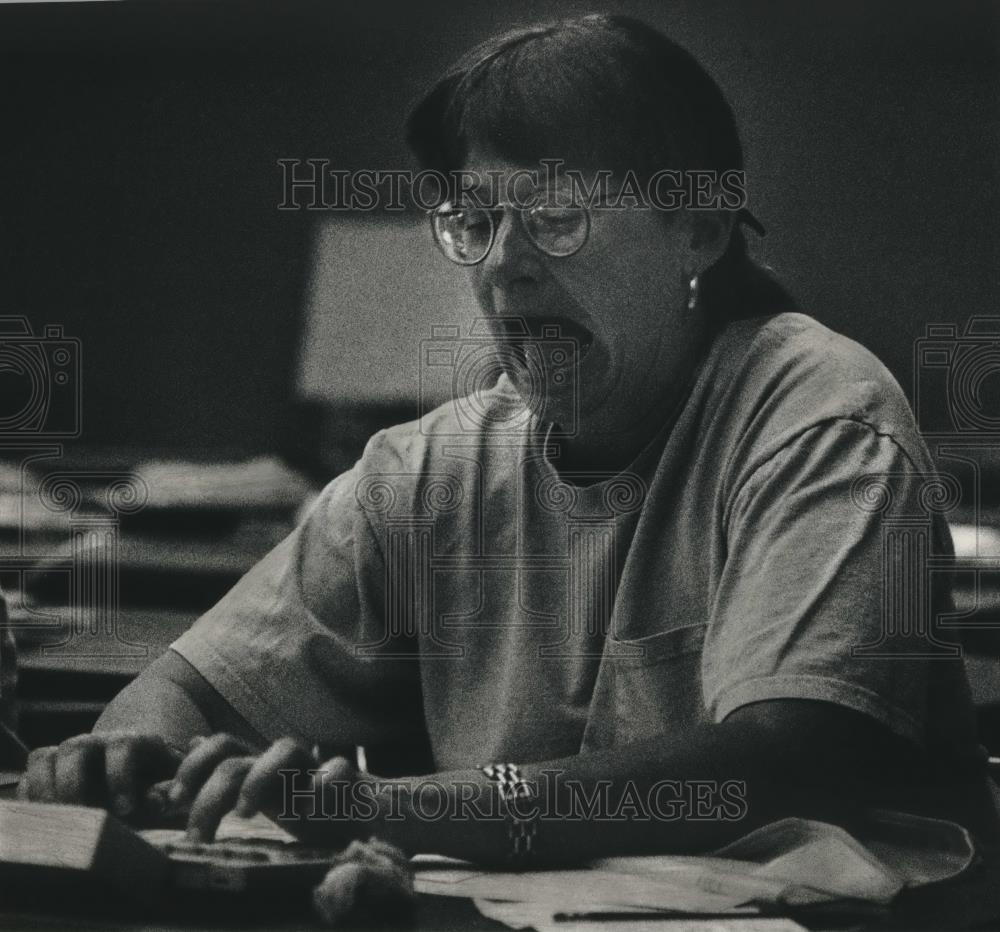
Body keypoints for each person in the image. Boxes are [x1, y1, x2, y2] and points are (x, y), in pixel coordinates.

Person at [19, 13, 999, 863]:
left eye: (557, 217)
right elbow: (183, 695)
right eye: (474, 221)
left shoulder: (821, 420)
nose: (503, 266)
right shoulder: (429, 471)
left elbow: (781, 763)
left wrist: (387, 808)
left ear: (698, 228)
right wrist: (124, 752)